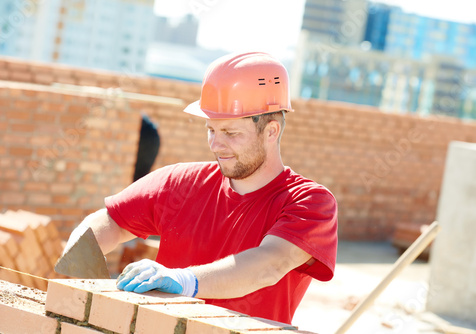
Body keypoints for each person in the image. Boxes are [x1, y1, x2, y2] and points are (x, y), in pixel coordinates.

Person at [64, 52, 338, 324]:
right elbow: (110, 220)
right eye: (211, 130)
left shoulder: (309, 202)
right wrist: (81, 270)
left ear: (271, 131)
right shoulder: (180, 183)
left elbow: (269, 264)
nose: (216, 145)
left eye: (230, 133)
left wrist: (183, 280)